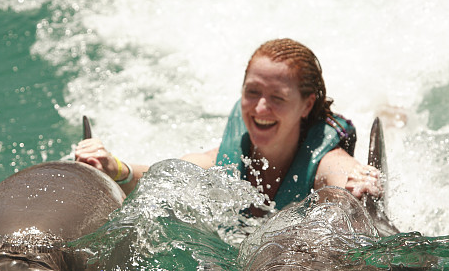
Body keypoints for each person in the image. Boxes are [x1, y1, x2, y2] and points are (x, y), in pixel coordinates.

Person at [75, 38, 382, 214]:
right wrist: (114, 168)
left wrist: (362, 182)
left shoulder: (324, 161)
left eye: (277, 97)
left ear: (307, 104)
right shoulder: (227, 160)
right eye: (252, 92)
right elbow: (159, 178)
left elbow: (344, 175)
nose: (261, 108)